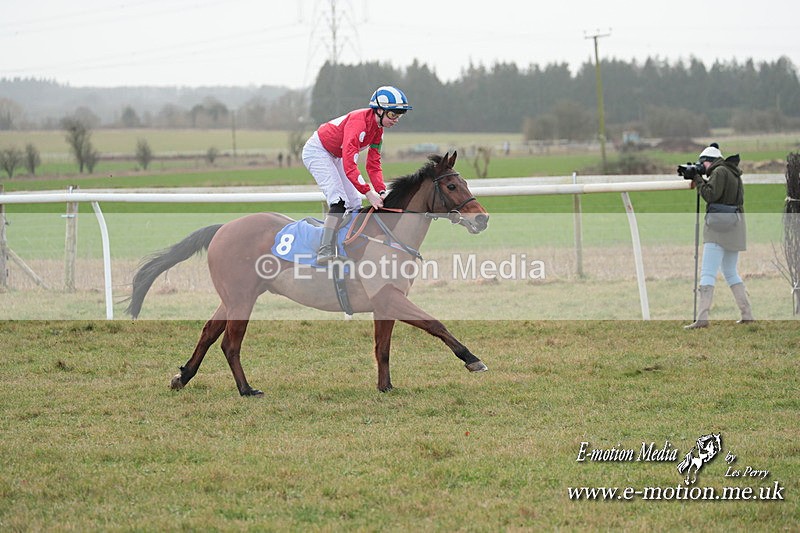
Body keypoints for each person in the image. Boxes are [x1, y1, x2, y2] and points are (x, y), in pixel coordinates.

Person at [302, 86, 412, 263]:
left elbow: (373, 165)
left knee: (354, 203)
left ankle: (346, 246)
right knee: (339, 201)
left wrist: (382, 191)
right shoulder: (358, 123)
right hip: (318, 151)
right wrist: (369, 192)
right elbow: (350, 165)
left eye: (399, 115)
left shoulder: (378, 131)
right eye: (393, 114)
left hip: (336, 155)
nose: (396, 119)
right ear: (379, 110)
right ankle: (325, 249)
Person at [685, 143, 755, 329]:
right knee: (730, 271)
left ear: (708, 162)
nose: (702, 168)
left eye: (702, 164)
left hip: (718, 228)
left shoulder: (719, 172)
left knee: (707, 272)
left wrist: (698, 179)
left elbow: (710, 195)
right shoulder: (733, 172)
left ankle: (702, 318)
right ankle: (747, 314)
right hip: (735, 226)